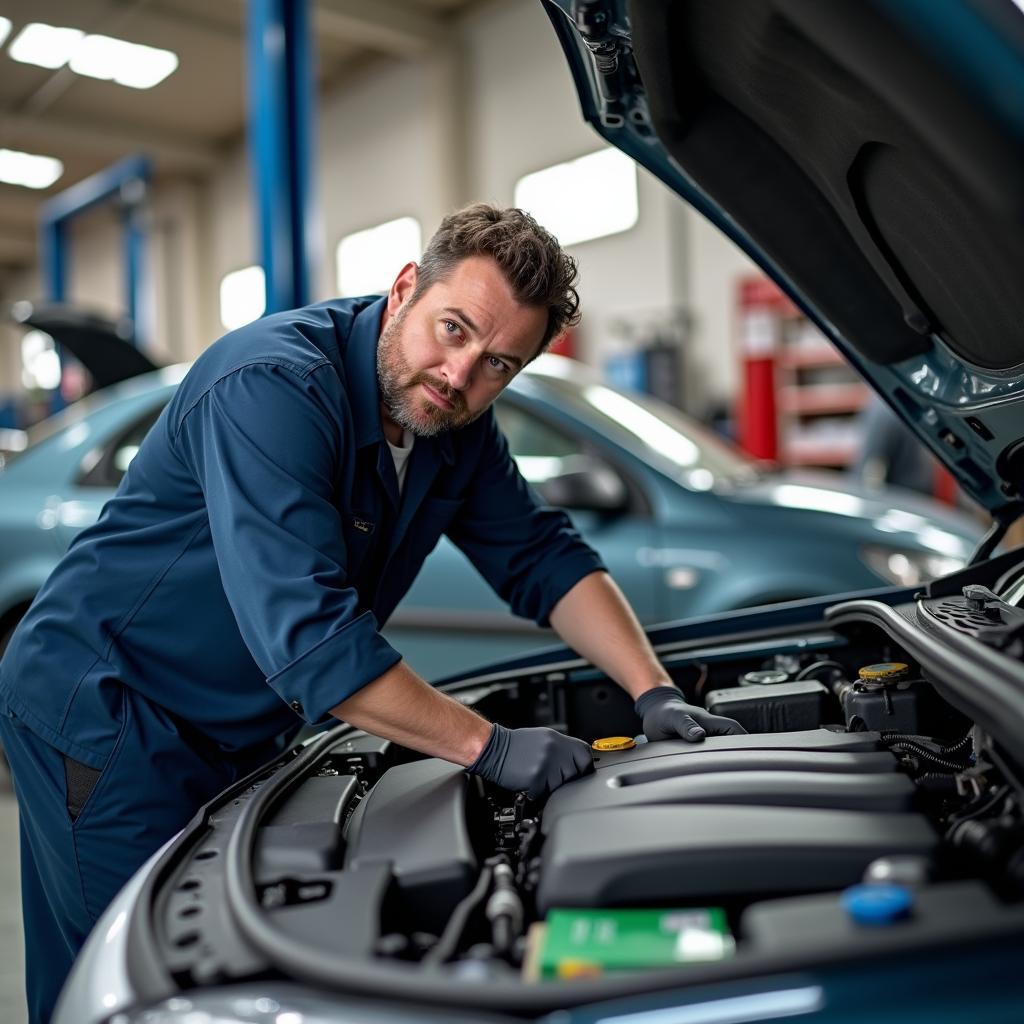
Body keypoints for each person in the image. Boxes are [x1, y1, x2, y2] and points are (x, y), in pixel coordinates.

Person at [0, 204, 743, 1022]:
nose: (461, 375)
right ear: (402, 290)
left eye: (499, 362)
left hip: (235, 724)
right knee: (137, 986)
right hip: (112, 711)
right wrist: (488, 747)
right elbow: (315, 645)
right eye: (452, 330)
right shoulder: (275, 387)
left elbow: (541, 555)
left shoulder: (454, 424)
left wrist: (654, 692)